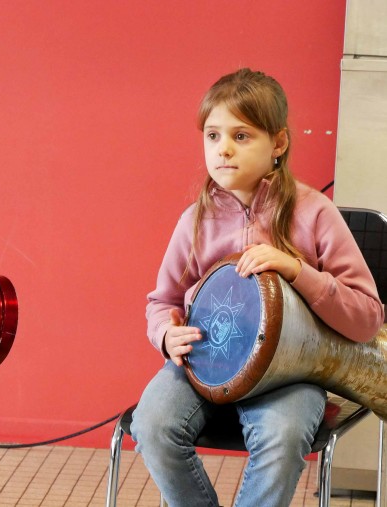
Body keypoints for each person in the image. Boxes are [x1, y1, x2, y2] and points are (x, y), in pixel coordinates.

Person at [130, 68, 384, 507]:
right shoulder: (194, 221)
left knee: (284, 438)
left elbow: (366, 319)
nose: (223, 149)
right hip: (203, 368)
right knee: (151, 426)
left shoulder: (316, 212)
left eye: (241, 136)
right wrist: (166, 335)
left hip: (293, 376)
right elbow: (163, 302)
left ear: (279, 143)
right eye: (212, 135)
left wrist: (296, 270)